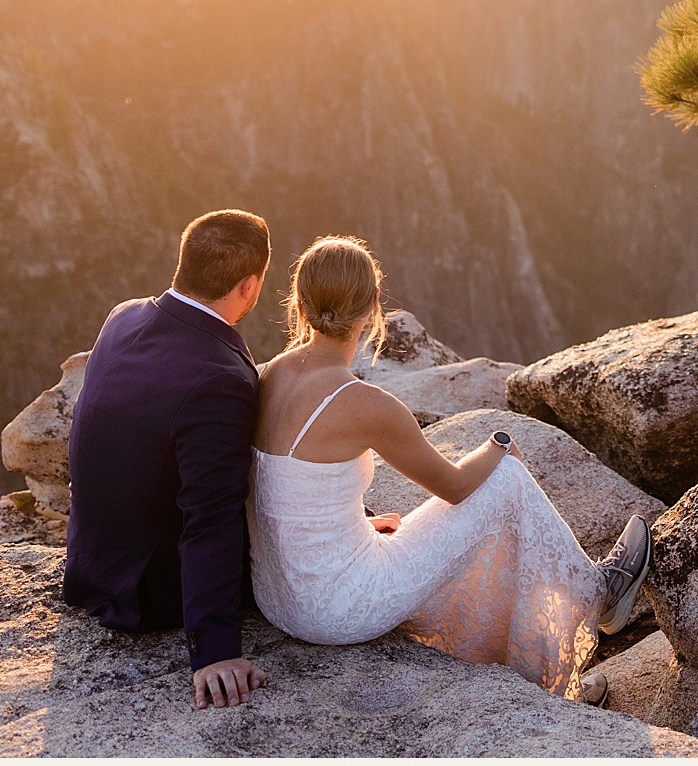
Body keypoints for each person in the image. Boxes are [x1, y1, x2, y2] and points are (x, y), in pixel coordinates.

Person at [248, 236, 651, 698]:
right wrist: (498, 446)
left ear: (298, 302)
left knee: (447, 519)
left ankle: (542, 663)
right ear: (375, 304)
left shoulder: (269, 375)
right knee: (505, 480)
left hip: (278, 599)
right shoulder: (364, 404)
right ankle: (598, 595)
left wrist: (351, 526)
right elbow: (456, 487)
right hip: (337, 607)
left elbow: (283, 487)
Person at [62, 208, 273, 710]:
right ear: (250, 286)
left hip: (92, 564)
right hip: (150, 588)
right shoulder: (218, 378)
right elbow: (211, 516)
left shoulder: (124, 316)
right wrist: (215, 651)